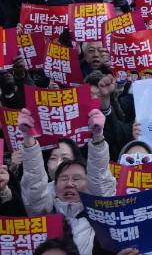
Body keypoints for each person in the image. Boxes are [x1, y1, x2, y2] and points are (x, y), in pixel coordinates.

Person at [18, 107, 115, 255]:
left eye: (77, 178)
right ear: (54, 185)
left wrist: (98, 137)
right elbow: (35, 185)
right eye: (63, 178)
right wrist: (29, 138)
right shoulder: (44, 214)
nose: (70, 183)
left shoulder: (99, 216)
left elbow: (100, 178)